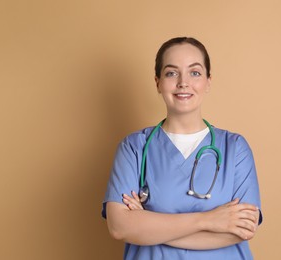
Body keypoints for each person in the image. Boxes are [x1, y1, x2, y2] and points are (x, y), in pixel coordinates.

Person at [102, 37, 263, 259]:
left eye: (195, 73)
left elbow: (243, 229)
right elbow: (120, 227)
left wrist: (148, 226)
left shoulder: (235, 148)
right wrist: (209, 220)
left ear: (208, 81)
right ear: (158, 82)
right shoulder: (134, 148)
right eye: (171, 73)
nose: (183, 82)